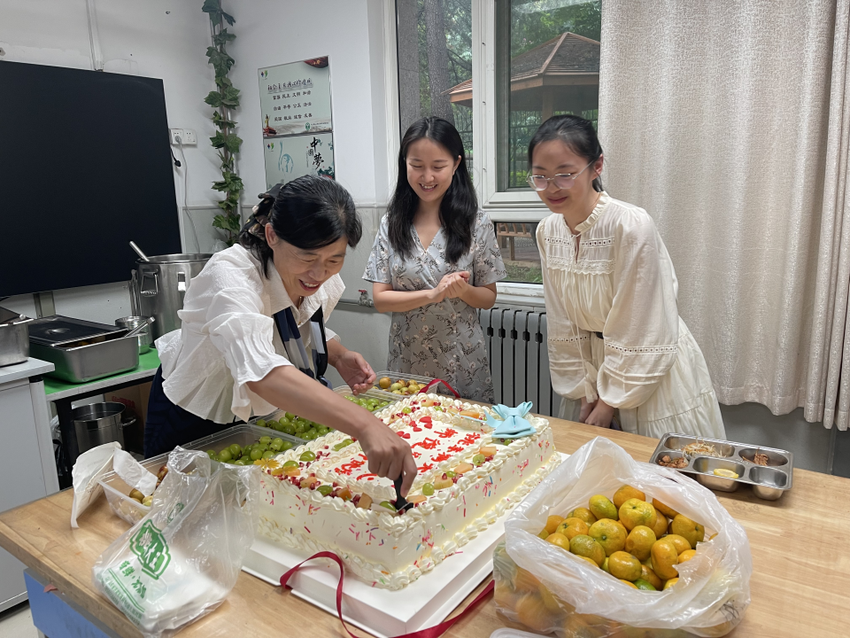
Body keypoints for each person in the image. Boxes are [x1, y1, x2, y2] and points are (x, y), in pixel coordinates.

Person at [145, 175, 416, 493]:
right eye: (307, 257)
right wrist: (365, 424)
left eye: (334, 259)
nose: (319, 273)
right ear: (272, 235)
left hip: (258, 417)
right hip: (193, 413)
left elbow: (298, 323)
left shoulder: (317, 276)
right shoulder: (230, 277)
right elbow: (259, 370)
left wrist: (338, 355)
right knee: (176, 505)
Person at [528, 115, 725, 439]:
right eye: (540, 177)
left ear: (597, 165)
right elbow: (562, 318)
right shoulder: (548, 231)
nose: (551, 189)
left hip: (647, 367)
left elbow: (643, 321)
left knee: (659, 478)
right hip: (591, 369)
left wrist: (609, 402)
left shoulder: (630, 225)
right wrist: (583, 389)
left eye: (565, 175)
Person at [363, 117, 506, 402]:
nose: (427, 177)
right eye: (416, 165)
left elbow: (489, 297)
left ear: (456, 164)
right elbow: (380, 299)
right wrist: (432, 294)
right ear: (405, 164)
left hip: (461, 360)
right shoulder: (392, 223)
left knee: (467, 438)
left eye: (438, 167)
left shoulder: (475, 223)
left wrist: (463, 291)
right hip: (407, 362)